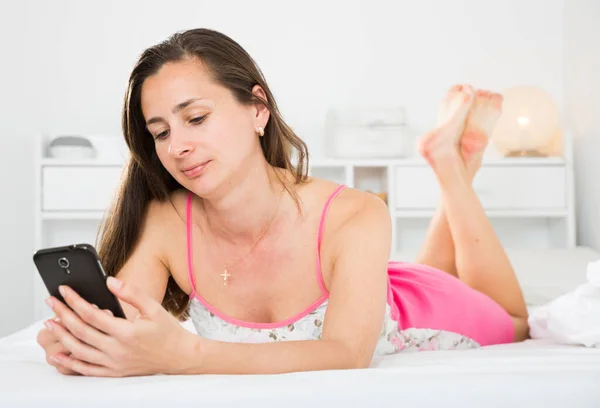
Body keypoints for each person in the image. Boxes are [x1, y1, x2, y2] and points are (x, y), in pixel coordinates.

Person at [36, 28, 529, 377]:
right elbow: (130, 332)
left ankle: (453, 171)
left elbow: (347, 355)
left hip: (421, 312)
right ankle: (453, 162)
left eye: (197, 118)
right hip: (367, 284)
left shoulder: (355, 213)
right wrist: (84, 342)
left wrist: (186, 355)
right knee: (432, 268)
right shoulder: (166, 221)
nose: (176, 146)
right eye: (160, 132)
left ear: (257, 109)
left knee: (518, 322)